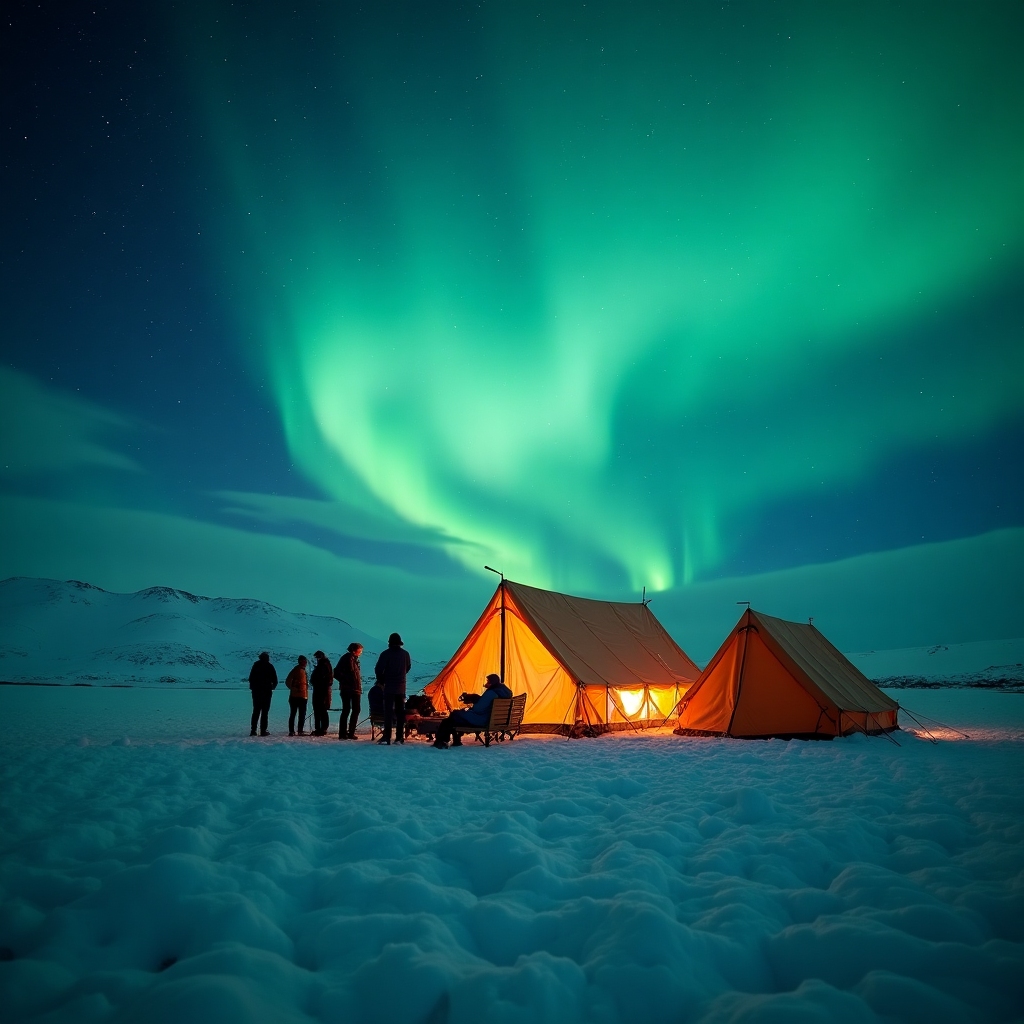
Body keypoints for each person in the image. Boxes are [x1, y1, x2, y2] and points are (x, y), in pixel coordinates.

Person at [432, 673, 512, 749]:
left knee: (453, 716)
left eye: (488, 681)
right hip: (492, 720)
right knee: (454, 718)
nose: (486, 683)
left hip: (482, 720)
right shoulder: (503, 692)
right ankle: (455, 740)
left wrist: (473, 704)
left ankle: (441, 741)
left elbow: (478, 709)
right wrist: (478, 699)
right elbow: (486, 704)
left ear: (492, 683)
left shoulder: (492, 692)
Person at [374, 632, 411, 744]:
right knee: (400, 713)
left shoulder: (386, 654)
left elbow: (378, 669)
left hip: (389, 687)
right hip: (401, 687)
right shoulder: (405, 654)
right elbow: (408, 667)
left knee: (388, 713)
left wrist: (382, 680)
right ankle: (399, 737)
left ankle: (387, 737)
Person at [334, 642, 363, 740]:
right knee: (346, 710)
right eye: (360, 651)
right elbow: (336, 672)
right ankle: (343, 733)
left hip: (355, 689)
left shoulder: (354, 660)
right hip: (348, 689)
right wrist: (347, 680)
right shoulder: (346, 658)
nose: (361, 653)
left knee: (355, 709)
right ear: (355, 650)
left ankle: (350, 732)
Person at [247, 651, 278, 736]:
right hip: (266, 692)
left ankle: (253, 730)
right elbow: (275, 680)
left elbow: (251, 678)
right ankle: (263, 730)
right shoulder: (270, 666)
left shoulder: (256, 666)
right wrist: (272, 687)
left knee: (256, 711)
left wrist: (253, 687)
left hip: (256, 692)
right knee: (265, 712)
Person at [310, 650, 333, 735]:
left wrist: (314, 681)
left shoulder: (322, 666)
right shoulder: (326, 665)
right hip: (322, 690)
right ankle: (322, 728)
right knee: (321, 709)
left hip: (320, 690)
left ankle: (321, 728)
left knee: (319, 709)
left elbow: (318, 678)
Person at [285, 655, 309, 736]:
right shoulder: (296, 670)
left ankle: (300, 730)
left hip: (303, 696)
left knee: (301, 714)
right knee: (294, 714)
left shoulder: (303, 670)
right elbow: (288, 681)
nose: (305, 663)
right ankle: (292, 731)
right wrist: (293, 688)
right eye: (304, 661)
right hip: (295, 697)